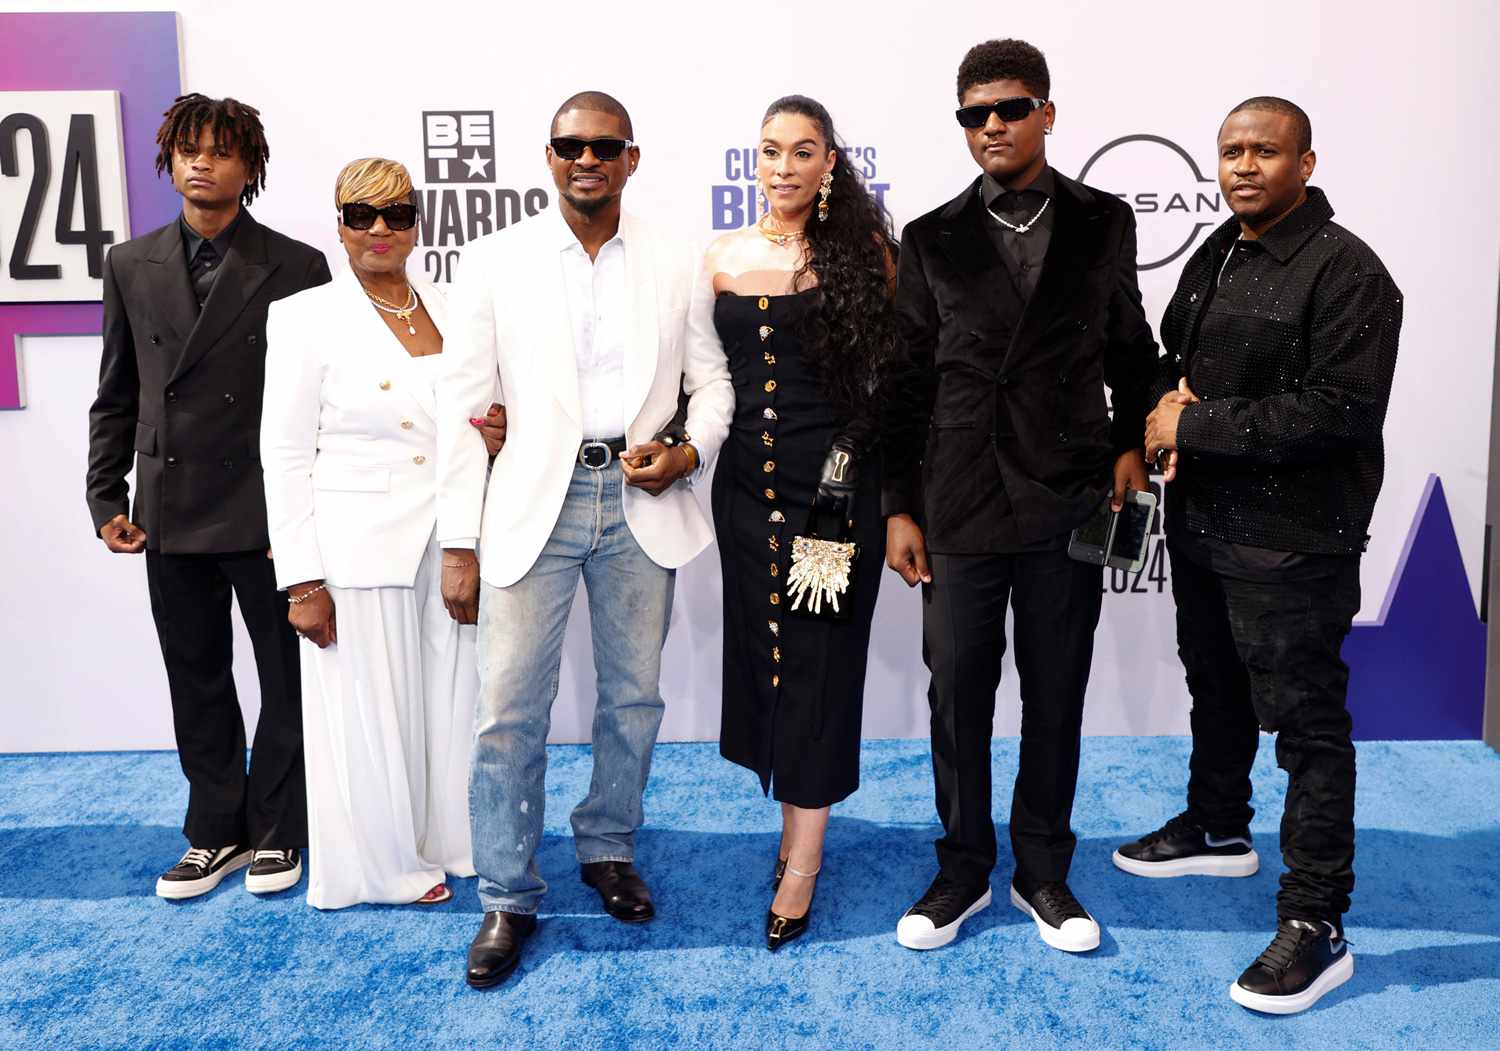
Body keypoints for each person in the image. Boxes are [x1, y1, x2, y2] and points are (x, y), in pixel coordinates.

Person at [437, 91, 734, 988]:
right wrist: (459, 539)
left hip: (642, 498)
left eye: (605, 145)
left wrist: (687, 449)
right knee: (506, 712)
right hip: (534, 499)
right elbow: (462, 409)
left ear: (631, 158)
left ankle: (607, 846)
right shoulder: (495, 261)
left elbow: (712, 384)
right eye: (571, 145)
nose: (587, 158)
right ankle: (507, 893)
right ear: (550, 155)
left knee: (634, 699)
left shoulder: (677, 257)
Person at [1120, 97, 1402, 1015]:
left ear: (1306, 162)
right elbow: (1173, 361)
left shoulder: (1350, 272)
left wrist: (1192, 422)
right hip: (1202, 526)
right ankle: (1216, 823)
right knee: (1217, 686)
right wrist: (1167, 410)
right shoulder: (1216, 248)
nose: (1244, 166)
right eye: (1231, 150)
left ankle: (1317, 920)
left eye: (1265, 151)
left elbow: (1339, 412)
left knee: (1309, 730)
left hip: (1294, 544)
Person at [883, 39, 1157, 954]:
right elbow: (904, 383)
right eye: (973, 114)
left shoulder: (1104, 222)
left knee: (1057, 690)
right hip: (956, 499)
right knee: (956, 693)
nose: (991, 126)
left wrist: (1131, 441)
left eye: (1008, 108)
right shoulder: (928, 237)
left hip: (1069, 496)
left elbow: (1130, 347)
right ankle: (962, 867)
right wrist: (897, 505)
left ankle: (1043, 868)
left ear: (1047, 112)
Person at [86, 94, 330, 900]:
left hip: (265, 509)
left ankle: (281, 828)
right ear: (169, 159)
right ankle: (212, 830)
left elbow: (319, 404)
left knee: (286, 676)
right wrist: (105, 496)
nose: (201, 163)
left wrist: (307, 515)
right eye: (189, 149)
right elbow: (116, 392)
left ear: (248, 166)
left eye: (220, 151)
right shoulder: (129, 263)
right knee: (194, 673)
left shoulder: (296, 265)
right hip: (169, 504)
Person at [704, 96, 897, 951]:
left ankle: (805, 862)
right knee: (768, 660)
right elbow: (700, 379)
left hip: (832, 502)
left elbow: (886, 394)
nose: (783, 166)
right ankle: (792, 827)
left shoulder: (868, 261)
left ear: (830, 165)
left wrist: (843, 479)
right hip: (746, 498)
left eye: (803, 151)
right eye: (771, 150)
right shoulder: (719, 258)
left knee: (816, 664)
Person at [260, 158, 477, 909]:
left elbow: (475, 417)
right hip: (355, 544)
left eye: (397, 214)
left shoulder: (454, 304)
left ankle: (450, 839)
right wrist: (302, 578)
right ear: (340, 225)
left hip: (449, 536)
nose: (380, 230)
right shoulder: (303, 315)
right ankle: (380, 869)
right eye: (361, 215)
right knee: (366, 714)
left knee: (451, 704)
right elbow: (283, 453)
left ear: (420, 223)